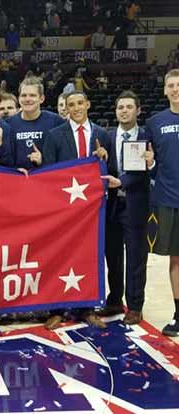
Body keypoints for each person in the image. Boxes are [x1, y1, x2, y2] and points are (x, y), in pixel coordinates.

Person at [42, 91, 110, 330]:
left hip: (93, 208)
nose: (77, 108)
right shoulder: (54, 135)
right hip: (64, 208)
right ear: (66, 109)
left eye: (80, 103)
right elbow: (49, 173)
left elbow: (110, 169)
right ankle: (57, 309)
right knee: (60, 254)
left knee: (90, 256)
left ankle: (87, 308)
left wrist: (105, 158)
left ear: (88, 104)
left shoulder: (102, 134)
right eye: (71, 105)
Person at [98, 91, 150, 325]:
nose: (124, 111)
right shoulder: (106, 137)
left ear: (138, 110)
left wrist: (152, 161)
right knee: (113, 256)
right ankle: (115, 300)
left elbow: (151, 169)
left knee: (136, 257)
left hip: (136, 203)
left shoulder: (147, 137)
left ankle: (135, 305)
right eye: (121, 107)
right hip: (110, 205)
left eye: (129, 107)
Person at [145, 69, 179, 336]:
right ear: (165, 90)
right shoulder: (155, 122)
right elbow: (152, 167)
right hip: (169, 199)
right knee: (176, 259)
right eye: (171, 85)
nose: (175, 89)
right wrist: (151, 163)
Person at [6, 77, 65, 170]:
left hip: (46, 178)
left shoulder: (56, 121)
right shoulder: (8, 124)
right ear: (19, 98)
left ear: (41, 98)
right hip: (17, 180)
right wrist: (14, 170)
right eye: (24, 95)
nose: (27, 99)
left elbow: (64, 156)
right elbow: (4, 159)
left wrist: (43, 161)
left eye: (32, 95)